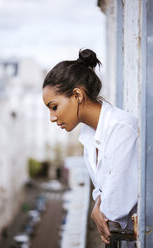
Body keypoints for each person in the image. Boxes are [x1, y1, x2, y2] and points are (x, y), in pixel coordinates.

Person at [42, 49, 138, 247]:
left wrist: (100, 207)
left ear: (76, 95)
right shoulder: (88, 135)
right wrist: (97, 202)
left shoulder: (122, 129)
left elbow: (115, 210)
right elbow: (103, 190)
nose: (52, 117)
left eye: (54, 107)